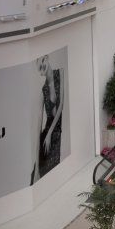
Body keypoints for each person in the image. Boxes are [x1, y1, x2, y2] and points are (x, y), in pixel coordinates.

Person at [35, 55, 64, 183]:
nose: (43, 68)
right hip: (46, 136)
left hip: (55, 132)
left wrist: (50, 134)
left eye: (42, 62)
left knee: (55, 169)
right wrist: (36, 169)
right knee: (43, 174)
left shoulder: (60, 73)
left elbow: (61, 105)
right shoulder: (43, 91)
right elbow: (38, 124)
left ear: (46, 58)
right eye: (40, 68)